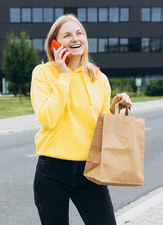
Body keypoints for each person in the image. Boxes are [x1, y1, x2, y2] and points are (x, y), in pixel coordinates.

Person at [30, 14, 132, 225]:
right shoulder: (43, 73)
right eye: (67, 35)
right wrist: (63, 74)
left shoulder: (99, 78)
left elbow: (101, 126)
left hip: (90, 169)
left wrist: (116, 109)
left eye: (79, 33)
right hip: (52, 171)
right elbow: (48, 119)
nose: (75, 39)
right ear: (55, 43)